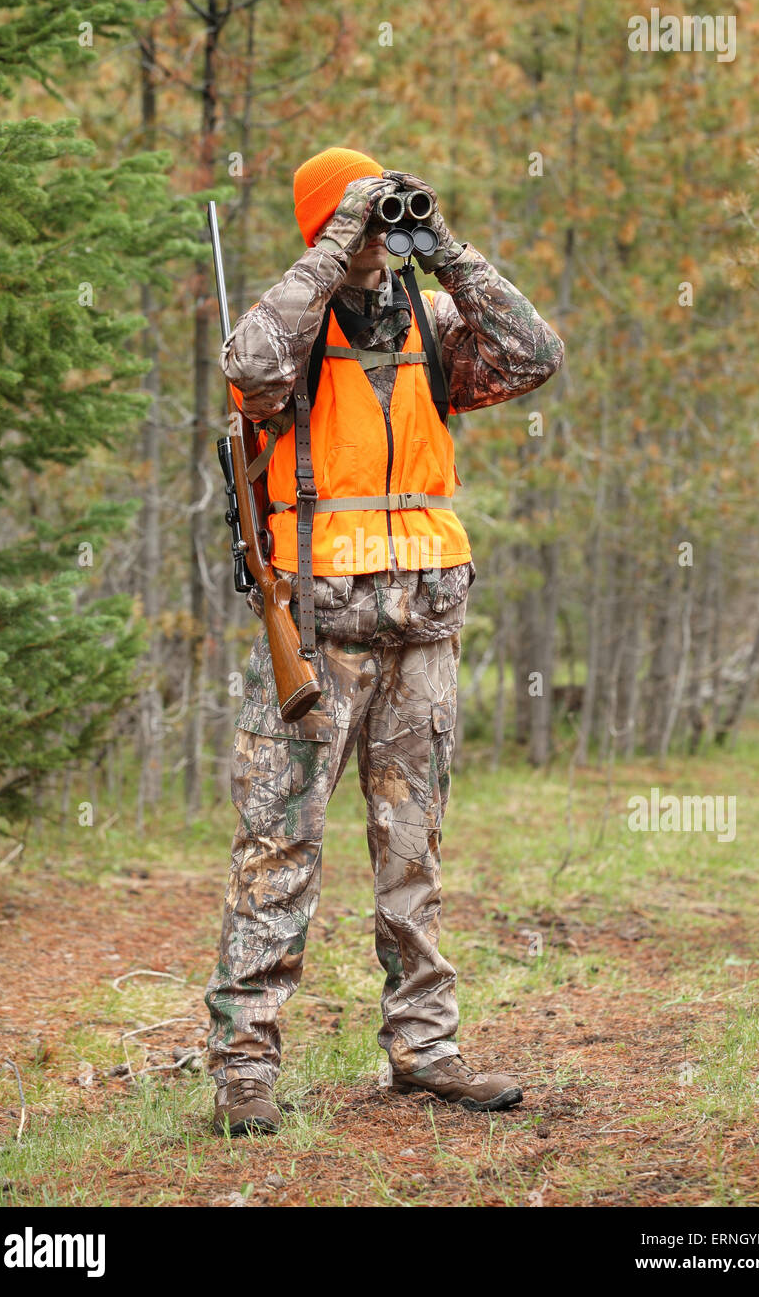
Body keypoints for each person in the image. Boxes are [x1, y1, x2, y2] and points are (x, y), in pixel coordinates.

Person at [205, 146, 564, 1135]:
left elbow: (533, 352)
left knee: (413, 853)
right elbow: (245, 367)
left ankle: (425, 1050)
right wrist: (329, 250)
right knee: (277, 851)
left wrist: (445, 250)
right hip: (316, 635)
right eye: (359, 217)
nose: (378, 237)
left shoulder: (433, 323)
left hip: (423, 630)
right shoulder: (292, 323)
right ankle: (244, 1068)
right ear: (325, 224)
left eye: (383, 218)